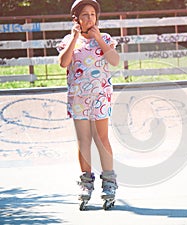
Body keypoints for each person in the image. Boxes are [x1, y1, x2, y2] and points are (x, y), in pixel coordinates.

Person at [57, 0, 119, 209]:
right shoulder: (69, 40)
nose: (89, 18)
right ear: (76, 19)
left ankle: (109, 183)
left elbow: (114, 60)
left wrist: (99, 38)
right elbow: (63, 63)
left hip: (100, 96)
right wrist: (75, 37)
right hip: (78, 98)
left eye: (92, 14)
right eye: (84, 15)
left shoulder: (106, 38)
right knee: (84, 141)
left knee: (102, 139)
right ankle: (86, 183)